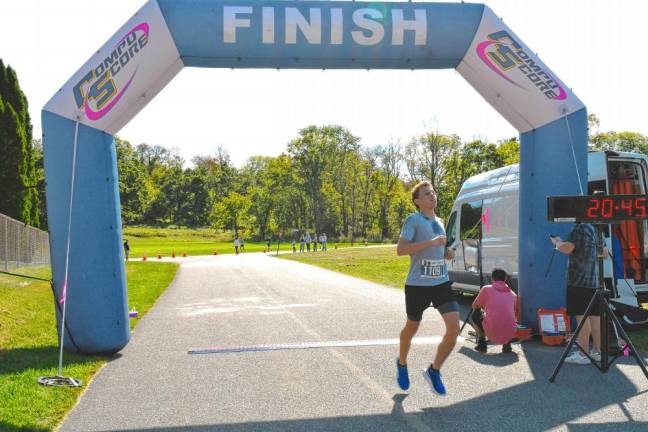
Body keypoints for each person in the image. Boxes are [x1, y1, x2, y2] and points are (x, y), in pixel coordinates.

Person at [396, 180, 458, 395]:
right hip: (417, 285)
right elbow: (401, 250)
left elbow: (440, 250)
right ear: (417, 201)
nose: (432, 195)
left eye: (433, 192)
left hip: (440, 282)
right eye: (426, 193)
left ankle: (434, 370)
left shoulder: (440, 221)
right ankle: (402, 363)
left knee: (454, 329)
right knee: (411, 328)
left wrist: (447, 252)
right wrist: (431, 243)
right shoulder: (413, 220)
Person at [551, 223, 607, 364]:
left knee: (581, 317)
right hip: (595, 280)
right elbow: (604, 254)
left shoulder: (579, 228)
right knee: (595, 316)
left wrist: (557, 242)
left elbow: (568, 248)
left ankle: (583, 355)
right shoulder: (597, 229)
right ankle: (597, 352)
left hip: (578, 280)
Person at [470, 268, 518, 354]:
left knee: (475, 314)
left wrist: (484, 309)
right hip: (511, 331)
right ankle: (507, 344)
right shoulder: (513, 294)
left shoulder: (486, 289)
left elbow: (474, 305)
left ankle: (482, 342)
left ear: (492, 278)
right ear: (505, 279)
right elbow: (515, 313)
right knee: (507, 317)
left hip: (492, 330)